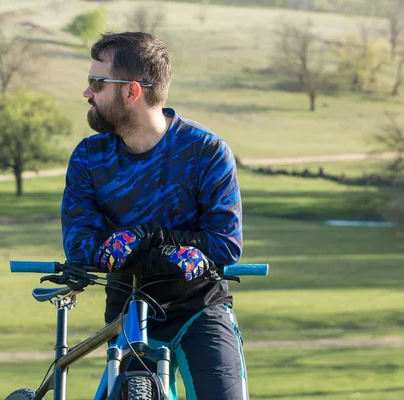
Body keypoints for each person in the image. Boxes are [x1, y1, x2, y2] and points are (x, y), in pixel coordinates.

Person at [61, 31, 247, 400]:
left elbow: (225, 244)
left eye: (96, 83)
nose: (87, 94)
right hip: (129, 312)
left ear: (131, 92)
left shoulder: (206, 151)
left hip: (200, 308)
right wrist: (170, 252)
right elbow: (82, 244)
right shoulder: (88, 157)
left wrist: (144, 238)